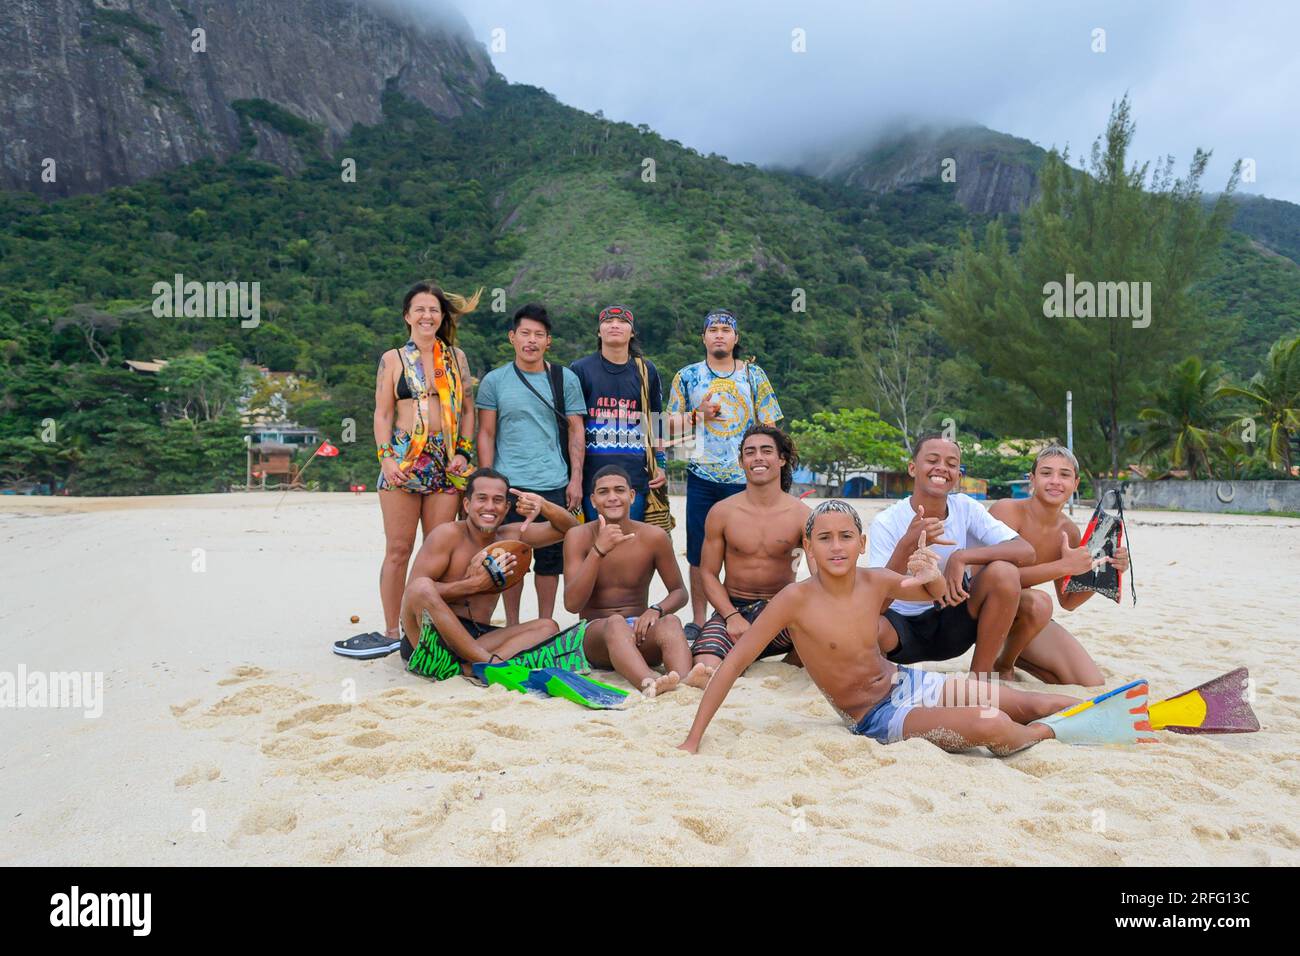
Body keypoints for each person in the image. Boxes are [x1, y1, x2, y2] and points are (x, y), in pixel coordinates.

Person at [678, 501, 1083, 755]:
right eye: (824, 539)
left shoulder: (874, 581)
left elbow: (935, 597)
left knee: (1027, 702)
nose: (836, 547)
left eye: (845, 537)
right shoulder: (793, 600)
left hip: (909, 683)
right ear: (809, 546)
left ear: (862, 542)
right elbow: (732, 665)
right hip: (874, 714)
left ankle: (1120, 719)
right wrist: (694, 737)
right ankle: (1043, 736)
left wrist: (932, 575)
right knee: (991, 722)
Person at [334, 281, 480, 661]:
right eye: (419, 309)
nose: (427, 316)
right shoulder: (393, 358)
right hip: (402, 456)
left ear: (442, 316)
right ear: (407, 316)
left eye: (433, 310)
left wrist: (464, 451)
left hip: (445, 459)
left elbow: (467, 411)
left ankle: (433, 626)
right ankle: (391, 629)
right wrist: (385, 457)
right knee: (398, 549)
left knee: (439, 547)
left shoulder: (456, 358)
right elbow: (382, 412)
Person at [868, 433, 1038, 677]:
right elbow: (878, 602)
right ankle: (880, 681)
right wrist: (907, 544)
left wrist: (962, 557)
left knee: (1005, 572)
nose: (942, 468)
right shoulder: (887, 521)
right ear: (913, 468)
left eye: (951, 464)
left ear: (958, 475)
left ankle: (980, 679)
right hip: (900, 628)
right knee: (866, 627)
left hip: (951, 621)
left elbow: (1026, 551)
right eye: (933, 460)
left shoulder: (965, 507)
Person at [665, 309, 782, 643]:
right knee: (700, 551)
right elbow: (666, 424)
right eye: (712, 330)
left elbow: (769, 425)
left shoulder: (753, 375)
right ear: (703, 337)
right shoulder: (687, 376)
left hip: (745, 479)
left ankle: (744, 613)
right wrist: (696, 415)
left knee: (746, 549)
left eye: (725, 330)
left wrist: (769, 468)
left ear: (735, 338)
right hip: (701, 475)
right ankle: (700, 620)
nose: (719, 335)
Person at [399, 468, 580, 680]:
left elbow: (572, 530)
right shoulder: (446, 535)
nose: (489, 507)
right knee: (421, 586)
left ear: (506, 508)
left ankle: (469, 668)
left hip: (477, 638)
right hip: (432, 640)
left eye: (497, 500)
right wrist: (473, 585)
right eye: (482, 499)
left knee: (547, 626)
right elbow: (413, 595)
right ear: (467, 505)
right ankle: (491, 665)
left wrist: (543, 505)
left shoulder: (512, 536)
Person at [476, 304, 586, 625]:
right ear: (512, 337)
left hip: (553, 481)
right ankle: (512, 625)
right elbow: (486, 432)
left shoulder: (564, 379)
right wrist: (488, 481)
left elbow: (577, 431)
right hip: (509, 485)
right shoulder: (495, 381)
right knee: (510, 557)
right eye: (525, 333)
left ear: (548, 341)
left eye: (539, 335)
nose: (531, 340)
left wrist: (575, 478)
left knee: (551, 562)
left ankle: (544, 624)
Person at [985, 445, 1127, 685]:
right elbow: (991, 578)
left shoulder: (1069, 531)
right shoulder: (1007, 510)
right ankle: (1003, 664)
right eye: (1046, 473)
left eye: (1064, 475)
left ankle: (1016, 655)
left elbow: (1068, 601)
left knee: (1089, 682)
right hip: (984, 610)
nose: (1055, 481)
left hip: (1023, 617)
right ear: (1032, 479)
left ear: (1076, 483)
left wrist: (1106, 570)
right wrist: (1063, 566)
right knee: (1040, 602)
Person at [563, 465, 707, 696]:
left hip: (640, 633)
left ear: (631, 496)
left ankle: (683, 682)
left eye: (619, 490)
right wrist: (598, 551)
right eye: (603, 492)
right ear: (592, 500)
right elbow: (572, 604)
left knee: (670, 622)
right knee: (616, 622)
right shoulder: (578, 537)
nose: (612, 497)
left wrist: (656, 610)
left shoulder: (654, 537)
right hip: (596, 636)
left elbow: (679, 592)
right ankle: (649, 682)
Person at [691, 424, 811, 677]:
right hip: (733, 610)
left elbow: (820, 575)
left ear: (781, 459)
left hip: (782, 613)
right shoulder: (722, 512)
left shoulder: (802, 515)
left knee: (822, 636)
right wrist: (731, 615)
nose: (758, 457)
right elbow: (708, 574)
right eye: (750, 452)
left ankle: (787, 666)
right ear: (741, 461)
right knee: (705, 665)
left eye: (766, 451)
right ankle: (742, 655)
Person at [570, 305, 665, 522]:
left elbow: (657, 420)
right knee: (594, 543)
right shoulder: (580, 369)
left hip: (635, 478)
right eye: (608, 321)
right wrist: (574, 477)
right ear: (598, 331)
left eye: (622, 322)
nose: (614, 325)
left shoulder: (646, 370)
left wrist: (661, 465)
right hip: (591, 479)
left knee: (633, 546)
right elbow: (571, 426)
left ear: (632, 332)